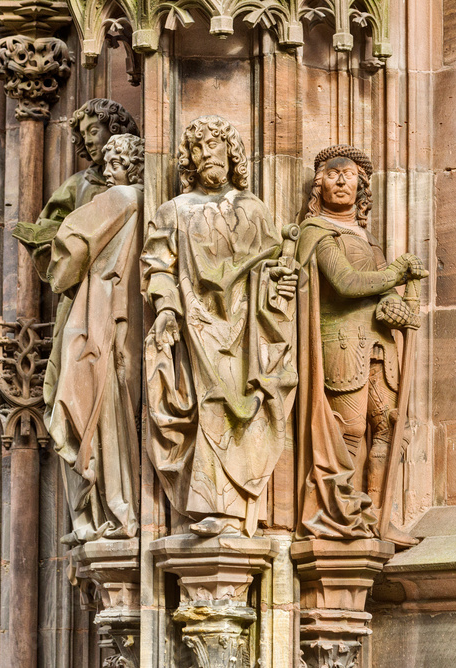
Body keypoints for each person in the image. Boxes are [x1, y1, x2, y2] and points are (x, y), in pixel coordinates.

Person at [141, 115, 298, 537]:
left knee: (245, 399)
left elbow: (272, 266)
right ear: (189, 160)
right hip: (197, 321)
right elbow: (158, 267)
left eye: (215, 145)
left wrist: (281, 282)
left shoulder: (254, 209)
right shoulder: (173, 211)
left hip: (247, 325)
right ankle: (214, 505)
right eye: (198, 148)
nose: (207, 153)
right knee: (208, 400)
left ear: (232, 152)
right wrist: (166, 310)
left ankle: (239, 504)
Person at [295, 144, 426, 546]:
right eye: (332, 174)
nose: (340, 181)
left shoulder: (369, 241)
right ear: (320, 184)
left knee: (388, 426)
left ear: (361, 187)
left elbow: (378, 291)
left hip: (381, 347)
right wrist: (395, 273)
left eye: (348, 175)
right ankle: (343, 517)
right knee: (349, 430)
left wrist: (397, 308)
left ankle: (378, 520)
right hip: (341, 343)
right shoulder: (317, 232)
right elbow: (347, 283)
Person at [18, 133, 145, 543]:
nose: (108, 172)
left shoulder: (121, 198)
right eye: (106, 163)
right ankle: (115, 507)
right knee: (108, 404)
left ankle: (104, 507)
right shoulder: (149, 201)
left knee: (79, 394)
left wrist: (39, 243)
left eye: (116, 163)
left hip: (97, 310)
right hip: (125, 316)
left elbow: (71, 244)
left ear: (135, 166)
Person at [13, 98, 139, 410]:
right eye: (84, 134)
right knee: (76, 365)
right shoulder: (77, 185)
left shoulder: (137, 187)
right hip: (81, 287)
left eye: (94, 130)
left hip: (124, 281)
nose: (90, 139)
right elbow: (52, 230)